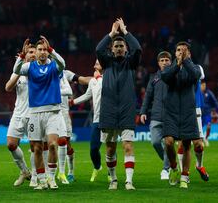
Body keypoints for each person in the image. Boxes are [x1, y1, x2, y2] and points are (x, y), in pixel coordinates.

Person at [14, 36, 66, 190]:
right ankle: (41, 180)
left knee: (52, 144)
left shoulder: (54, 67)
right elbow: (16, 70)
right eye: (40, 50)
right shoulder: (30, 67)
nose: (43, 52)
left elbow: (63, 63)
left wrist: (52, 50)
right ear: (35, 52)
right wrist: (22, 56)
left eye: (45, 50)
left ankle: (51, 178)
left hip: (52, 112)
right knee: (36, 148)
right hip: (35, 113)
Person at [96, 18, 142, 190]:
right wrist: (111, 34)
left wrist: (125, 31)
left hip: (126, 110)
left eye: (122, 46)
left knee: (128, 145)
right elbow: (98, 49)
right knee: (110, 148)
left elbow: (137, 48)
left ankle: (129, 181)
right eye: (116, 46)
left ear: (125, 48)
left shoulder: (131, 63)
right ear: (112, 49)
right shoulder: (106, 62)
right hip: (108, 111)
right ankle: (114, 179)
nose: (119, 48)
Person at [161, 41, 204, 188]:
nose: (181, 52)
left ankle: (185, 176)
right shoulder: (170, 67)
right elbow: (165, 77)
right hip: (171, 112)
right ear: (175, 53)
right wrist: (177, 64)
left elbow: (196, 75)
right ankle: (174, 168)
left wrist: (185, 61)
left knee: (186, 145)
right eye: (178, 50)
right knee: (168, 142)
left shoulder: (194, 68)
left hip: (187, 111)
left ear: (189, 53)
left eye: (184, 50)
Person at [5, 43, 36, 187]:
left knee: (35, 146)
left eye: (33, 52)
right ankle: (24, 171)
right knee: (11, 144)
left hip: (34, 113)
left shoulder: (40, 70)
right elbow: (8, 88)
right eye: (29, 52)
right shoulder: (18, 70)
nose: (32, 54)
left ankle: (35, 176)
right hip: (18, 113)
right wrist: (18, 70)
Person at [140, 51, 172, 180]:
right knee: (155, 143)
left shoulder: (175, 76)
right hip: (156, 115)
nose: (164, 62)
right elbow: (148, 95)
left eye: (166, 60)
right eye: (162, 60)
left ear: (171, 62)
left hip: (171, 116)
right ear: (158, 63)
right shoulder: (154, 78)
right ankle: (170, 161)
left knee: (169, 143)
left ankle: (165, 169)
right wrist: (142, 112)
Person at [70, 60, 103, 182]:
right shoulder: (93, 81)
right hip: (97, 119)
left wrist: (99, 77)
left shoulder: (109, 78)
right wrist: (73, 102)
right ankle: (97, 167)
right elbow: (87, 95)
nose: (94, 66)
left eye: (97, 63)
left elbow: (105, 89)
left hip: (110, 118)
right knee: (93, 149)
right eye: (94, 63)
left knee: (111, 147)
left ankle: (112, 175)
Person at [57, 69, 90, 184]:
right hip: (47, 112)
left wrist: (98, 79)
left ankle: (70, 172)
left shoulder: (65, 73)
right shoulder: (41, 71)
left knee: (66, 143)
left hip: (63, 113)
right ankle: (47, 174)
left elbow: (82, 79)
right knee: (46, 144)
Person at [200, 79, 218, 146]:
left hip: (207, 113)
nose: (204, 86)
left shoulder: (209, 93)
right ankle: (200, 139)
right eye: (202, 85)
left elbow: (215, 101)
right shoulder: (197, 93)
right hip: (199, 113)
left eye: (204, 85)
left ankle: (206, 138)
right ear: (200, 86)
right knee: (200, 127)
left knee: (209, 125)